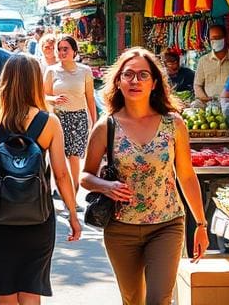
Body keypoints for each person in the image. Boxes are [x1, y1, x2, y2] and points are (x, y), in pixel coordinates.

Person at [81, 47, 208, 305]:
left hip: (167, 224)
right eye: (128, 75)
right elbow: (85, 176)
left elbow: (186, 175)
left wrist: (202, 225)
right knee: (133, 300)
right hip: (120, 229)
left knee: (158, 299)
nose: (135, 81)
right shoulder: (106, 126)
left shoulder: (174, 124)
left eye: (142, 75)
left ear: (154, 83)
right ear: (118, 82)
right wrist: (106, 186)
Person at [0, 54, 81, 304]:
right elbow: (61, 174)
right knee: (31, 290)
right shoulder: (49, 122)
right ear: (36, 83)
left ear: (4, 81)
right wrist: (72, 213)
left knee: (4, 290)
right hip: (39, 216)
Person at [43, 35, 97, 196]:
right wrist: (53, 99)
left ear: (74, 51)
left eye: (65, 49)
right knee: (58, 155)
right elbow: (43, 95)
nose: (61, 52)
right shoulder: (51, 71)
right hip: (58, 118)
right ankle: (60, 188)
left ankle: (73, 191)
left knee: (74, 156)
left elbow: (90, 98)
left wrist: (94, 123)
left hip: (79, 117)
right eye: (59, 49)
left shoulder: (85, 71)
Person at [193, 24, 229, 102]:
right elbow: (197, 85)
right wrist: (206, 100)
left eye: (218, 38)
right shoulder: (203, 61)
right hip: (210, 106)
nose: (215, 41)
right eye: (212, 39)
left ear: (226, 38)